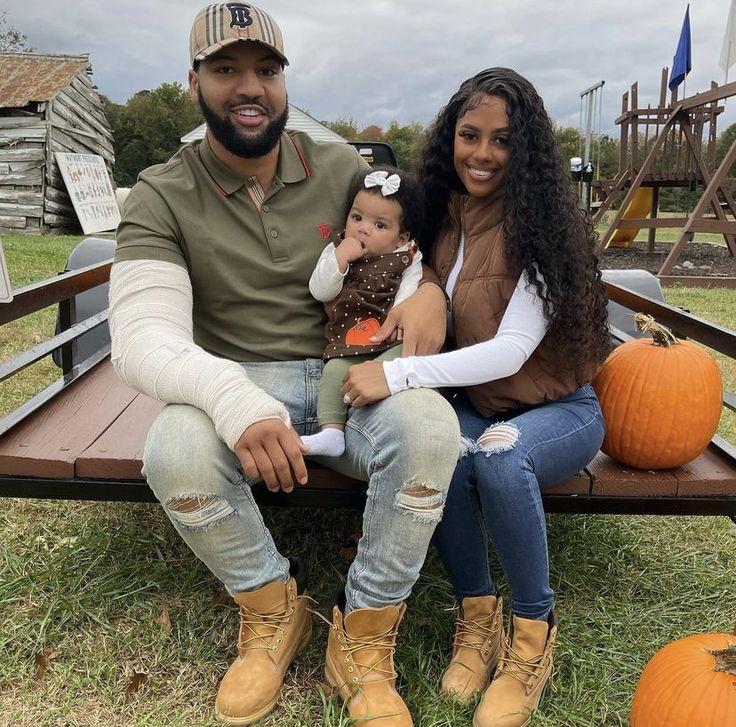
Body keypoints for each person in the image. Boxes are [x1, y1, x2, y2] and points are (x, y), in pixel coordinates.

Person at [108, 4, 460, 726]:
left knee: (430, 428)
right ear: (194, 80)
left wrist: (430, 295)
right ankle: (272, 605)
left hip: (351, 368)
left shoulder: (336, 165)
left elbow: (405, 249)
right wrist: (231, 398)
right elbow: (141, 335)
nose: (250, 87)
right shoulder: (161, 191)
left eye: (266, 70)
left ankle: (362, 635)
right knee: (172, 447)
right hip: (240, 374)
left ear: (283, 80)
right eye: (226, 68)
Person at [343, 67, 612, 727]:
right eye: (470, 135)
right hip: (481, 402)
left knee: (496, 456)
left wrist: (397, 376)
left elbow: (513, 348)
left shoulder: (545, 229)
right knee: (446, 451)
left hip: (558, 410)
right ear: (450, 139)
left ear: (526, 152)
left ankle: (531, 639)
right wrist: (428, 288)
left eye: (501, 140)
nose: (483, 153)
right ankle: (476, 620)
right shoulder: (445, 215)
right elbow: (421, 270)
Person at [302, 166, 424, 457]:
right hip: (349, 343)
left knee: (413, 358)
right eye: (357, 217)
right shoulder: (337, 250)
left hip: (391, 340)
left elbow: (410, 293)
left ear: (400, 236)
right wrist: (341, 259)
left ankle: (402, 414)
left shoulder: (406, 257)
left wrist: (401, 320)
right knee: (332, 373)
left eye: (380, 225)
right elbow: (320, 291)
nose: (363, 229)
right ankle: (332, 432)